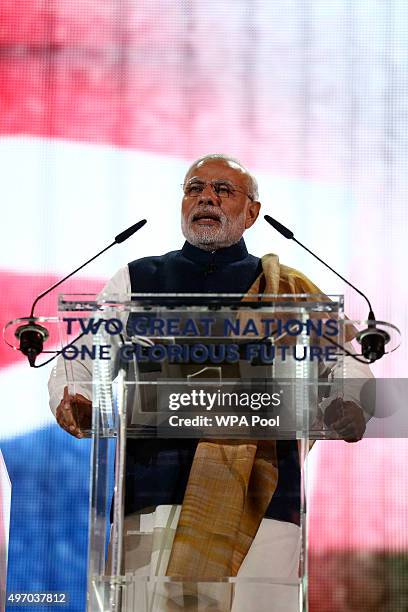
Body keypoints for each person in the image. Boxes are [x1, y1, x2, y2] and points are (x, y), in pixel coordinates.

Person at [49, 154, 370, 611]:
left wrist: (348, 401)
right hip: (152, 495)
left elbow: (345, 361)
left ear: (252, 212)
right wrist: (77, 398)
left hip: (263, 502)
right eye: (195, 187)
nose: (206, 197)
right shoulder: (138, 279)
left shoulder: (290, 289)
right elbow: (84, 357)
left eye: (223, 189)